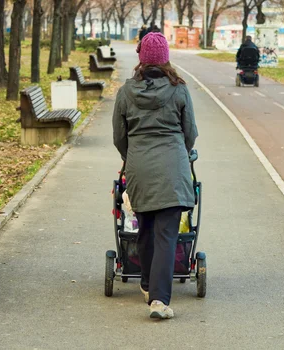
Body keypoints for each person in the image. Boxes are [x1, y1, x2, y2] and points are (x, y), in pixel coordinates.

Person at [113, 32, 198, 320]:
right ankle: (159, 301)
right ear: (165, 59)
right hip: (173, 167)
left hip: (140, 167)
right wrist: (181, 153)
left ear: (141, 59)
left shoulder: (126, 92)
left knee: (145, 228)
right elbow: (190, 133)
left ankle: (148, 287)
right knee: (166, 234)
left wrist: (131, 156)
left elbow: (118, 136)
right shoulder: (179, 89)